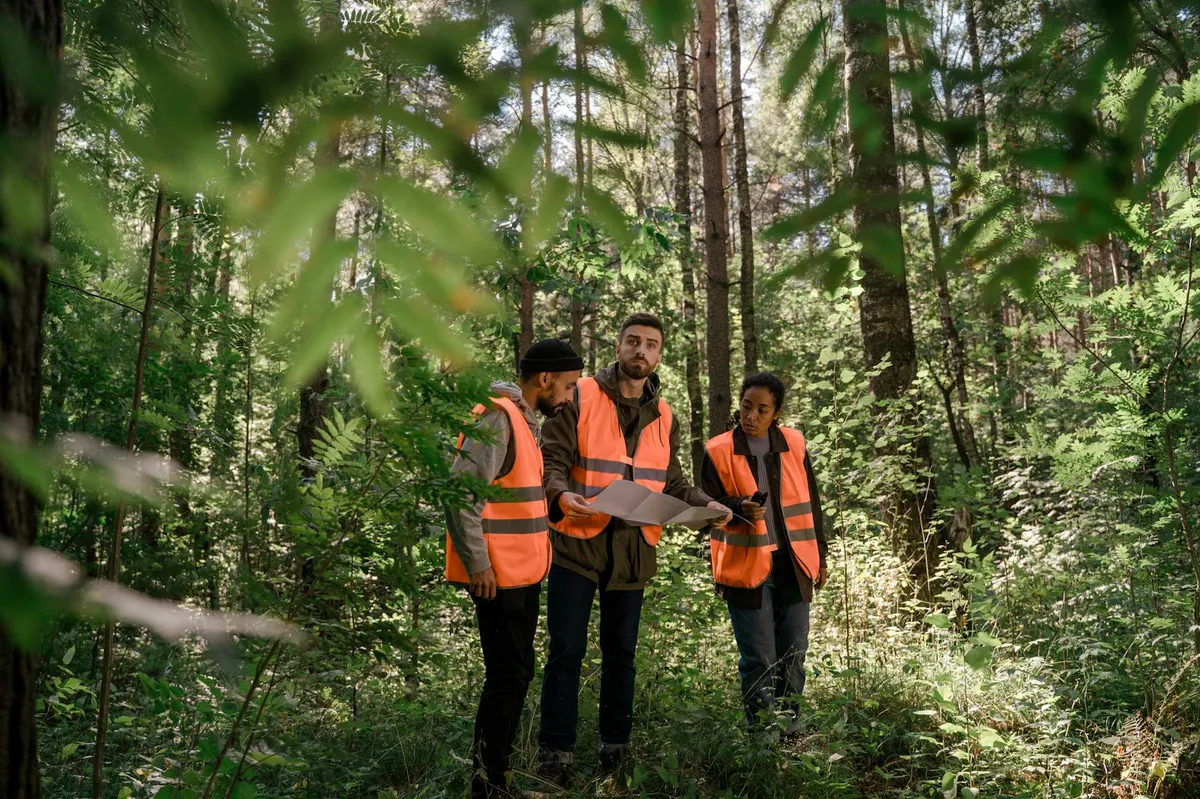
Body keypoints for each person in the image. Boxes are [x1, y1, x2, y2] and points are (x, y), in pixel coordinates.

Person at [536, 313, 732, 785]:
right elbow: (552, 462)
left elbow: (675, 482)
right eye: (633, 342)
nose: (641, 351)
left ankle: (614, 755)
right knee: (565, 651)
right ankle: (555, 757)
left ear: (660, 354)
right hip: (577, 544)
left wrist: (711, 505)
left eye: (651, 344)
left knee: (621, 653)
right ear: (618, 346)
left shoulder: (665, 415)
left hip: (634, 551)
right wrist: (561, 497)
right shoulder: (579, 394)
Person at [445, 339, 584, 799]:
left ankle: (494, 781)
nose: (566, 398)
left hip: (521, 573)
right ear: (544, 379)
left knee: (517, 672)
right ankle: (487, 787)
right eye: (566, 387)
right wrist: (478, 563)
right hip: (496, 576)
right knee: (507, 676)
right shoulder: (498, 416)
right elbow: (461, 493)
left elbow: (518, 496)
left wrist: (561, 507)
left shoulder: (523, 421)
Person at [700, 372, 829, 737]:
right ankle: (763, 738)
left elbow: (812, 504)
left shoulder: (795, 444)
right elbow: (705, 506)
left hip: (795, 563)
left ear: (777, 413)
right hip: (746, 570)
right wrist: (737, 506)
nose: (751, 415)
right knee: (759, 659)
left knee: (793, 655)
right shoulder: (718, 450)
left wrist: (820, 556)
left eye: (762, 409)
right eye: (746, 406)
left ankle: (791, 730)